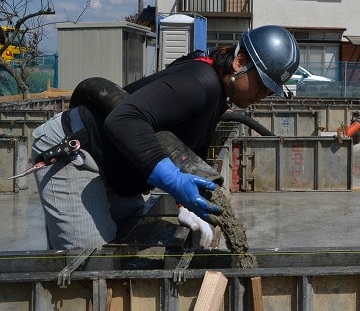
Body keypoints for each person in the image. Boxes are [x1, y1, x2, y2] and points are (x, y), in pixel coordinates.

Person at [31, 25, 300, 250]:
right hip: (76, 152)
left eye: (271, 90)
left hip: (118, 161)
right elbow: (123, 118)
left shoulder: (218, 93)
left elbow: (189, 147)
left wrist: (186, 202)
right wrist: (172, 180)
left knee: (128, 245)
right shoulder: (199, 84)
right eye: (262, 83)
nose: (263, 94)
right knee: (90, 263)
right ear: (240, 62)